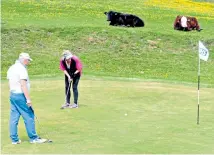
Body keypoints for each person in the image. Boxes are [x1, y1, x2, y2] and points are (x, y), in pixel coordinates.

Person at [7, 53, 47, 144]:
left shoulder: (11, 68)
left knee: (14, 117)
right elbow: (23, 84)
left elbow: (10, 82)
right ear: (25, 60)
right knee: (29, 116)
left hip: (13, 94)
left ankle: (14, 139)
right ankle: (33, 138)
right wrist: (28, 99)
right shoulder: (22, 69)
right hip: (20, 95)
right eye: (28, 60)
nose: (28, 62)